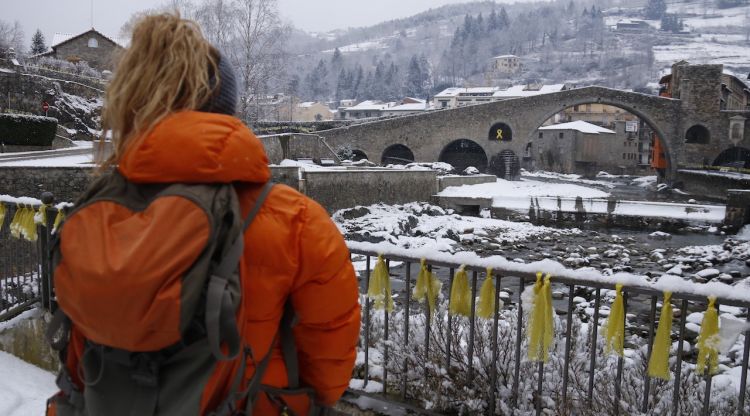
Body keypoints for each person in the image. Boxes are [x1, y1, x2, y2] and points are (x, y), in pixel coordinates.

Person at [49, 13, 360, 415]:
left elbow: (77, 356)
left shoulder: (100, 210)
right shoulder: (296, 221)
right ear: (224, 109)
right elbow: (329, 368)